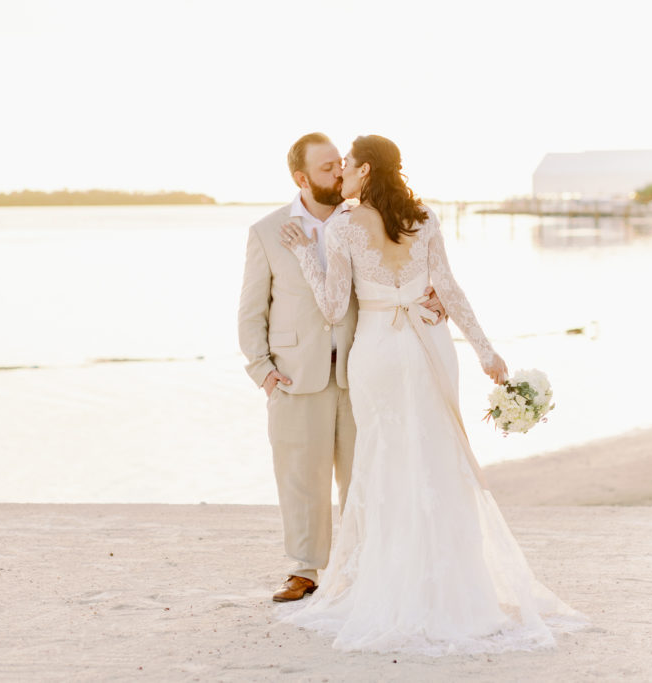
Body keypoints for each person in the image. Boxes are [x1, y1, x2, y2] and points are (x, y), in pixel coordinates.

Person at [277, 135, 585, 654]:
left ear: (367, 171)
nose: (343, 173)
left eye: (349, 165)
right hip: (429, 346)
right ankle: (456, 587)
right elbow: (453, 289)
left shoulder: (343, 228)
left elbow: (333, 308)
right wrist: (488, 353)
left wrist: (307, 253)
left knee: (386, 463)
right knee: (438, 460)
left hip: (377, 350)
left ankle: (393, 582)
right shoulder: (424, 220)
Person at [237, 133, 445, 602]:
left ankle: (360, 567)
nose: (337, 172)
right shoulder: (268, 232)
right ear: (301, 178)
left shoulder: (366, 219)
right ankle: (305, 569)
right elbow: (251, 311)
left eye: (339, 164)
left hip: (362, 370)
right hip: (294, 373)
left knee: (363, 473)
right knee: (299, 475)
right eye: (326, 167)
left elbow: (402, 269)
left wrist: (429, 294)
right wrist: (262, 370)